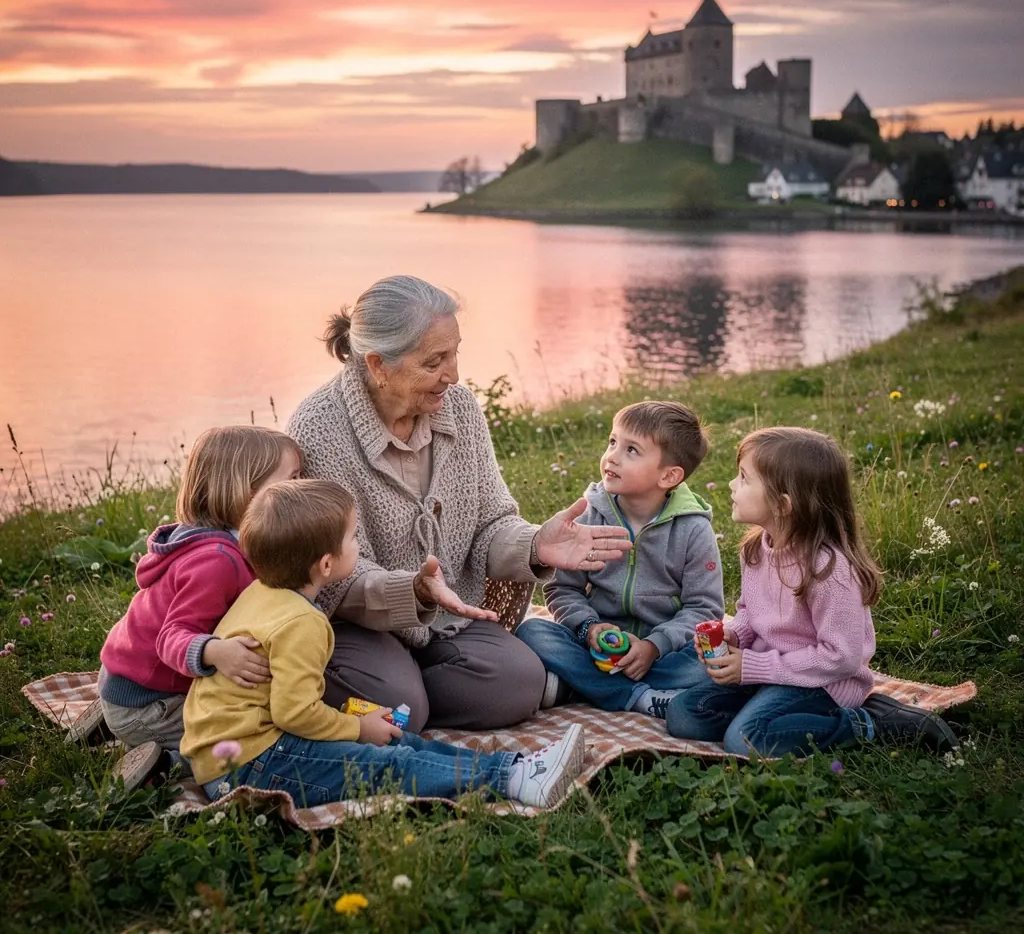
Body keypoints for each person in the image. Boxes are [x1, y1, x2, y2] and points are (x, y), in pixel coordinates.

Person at [286, 275, 632, 732]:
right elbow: (328, 576)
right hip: (354, 624)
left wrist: (534, 545)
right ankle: (395, 698)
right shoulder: (318, 431)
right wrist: (411, 591)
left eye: (454, 353)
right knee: (400, 701)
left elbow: (490, 525)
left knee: (518, 682)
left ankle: (405, 701)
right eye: (435, 361)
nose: (453, 375)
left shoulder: (460, 409)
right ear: (378, 365)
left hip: (447, 618)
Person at [181, 479, 587, 810]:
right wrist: (355, 727)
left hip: (241, 749)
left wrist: (362, 726)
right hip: (250, 765)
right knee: (381, 767)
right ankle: (511, 781)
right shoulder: (302, 622)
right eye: (353, 537)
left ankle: (515, 766)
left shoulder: (258, 592)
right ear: (326, 565)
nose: (358, 544)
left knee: (395, 739)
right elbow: (294, 713)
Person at [666, 427, 958, 757]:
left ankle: (871, 722)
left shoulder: (829, 571)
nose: (733, 485)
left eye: (744, 478)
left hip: (823, 682)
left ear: (783, 504)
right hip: (771, 671)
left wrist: (752, 667)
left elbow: (841, 657)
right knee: (683, 716)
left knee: (746, 740)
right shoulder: (757, 549)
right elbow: (751, 612)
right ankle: (778, 717)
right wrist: (735, 636)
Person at [99, 426, 302, 786]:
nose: (301, 489)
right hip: (148, 702)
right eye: (292, 480)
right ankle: (163, 764)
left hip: (128, 677)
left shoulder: (222, 541)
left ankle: (108, 722)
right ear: (248, 493)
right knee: (246, 739)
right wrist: (215, 651)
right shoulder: (216, 562)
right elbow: (170, 637)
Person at [517, 401, 724, 720]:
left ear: (669, 475)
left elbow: (704, 608)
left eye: (632, 450)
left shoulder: (693, 530)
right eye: (613, 442)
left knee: (710, 661)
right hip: (596, 646)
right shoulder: (589, 514)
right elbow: (562, 589)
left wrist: (654, 646)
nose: (612, 456)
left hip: (662, 653)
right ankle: (640, 697)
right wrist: (590, 628)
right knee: (532, 631)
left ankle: (580, 686)